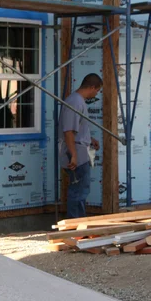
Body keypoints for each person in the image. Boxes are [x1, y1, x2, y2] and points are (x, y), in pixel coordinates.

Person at [58, 73, 103, 219]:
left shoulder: (78, 101)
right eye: (97, 90)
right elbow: (68, 131)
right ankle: (75, 226)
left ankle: (78, 225)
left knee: (81, 190)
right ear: (91, 87)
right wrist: (74, 155)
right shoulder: (75, 102)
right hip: (75, 152)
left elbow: (76, 129)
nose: (97, 94)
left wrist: (90, 139)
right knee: (78, 191)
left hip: (79, 149)